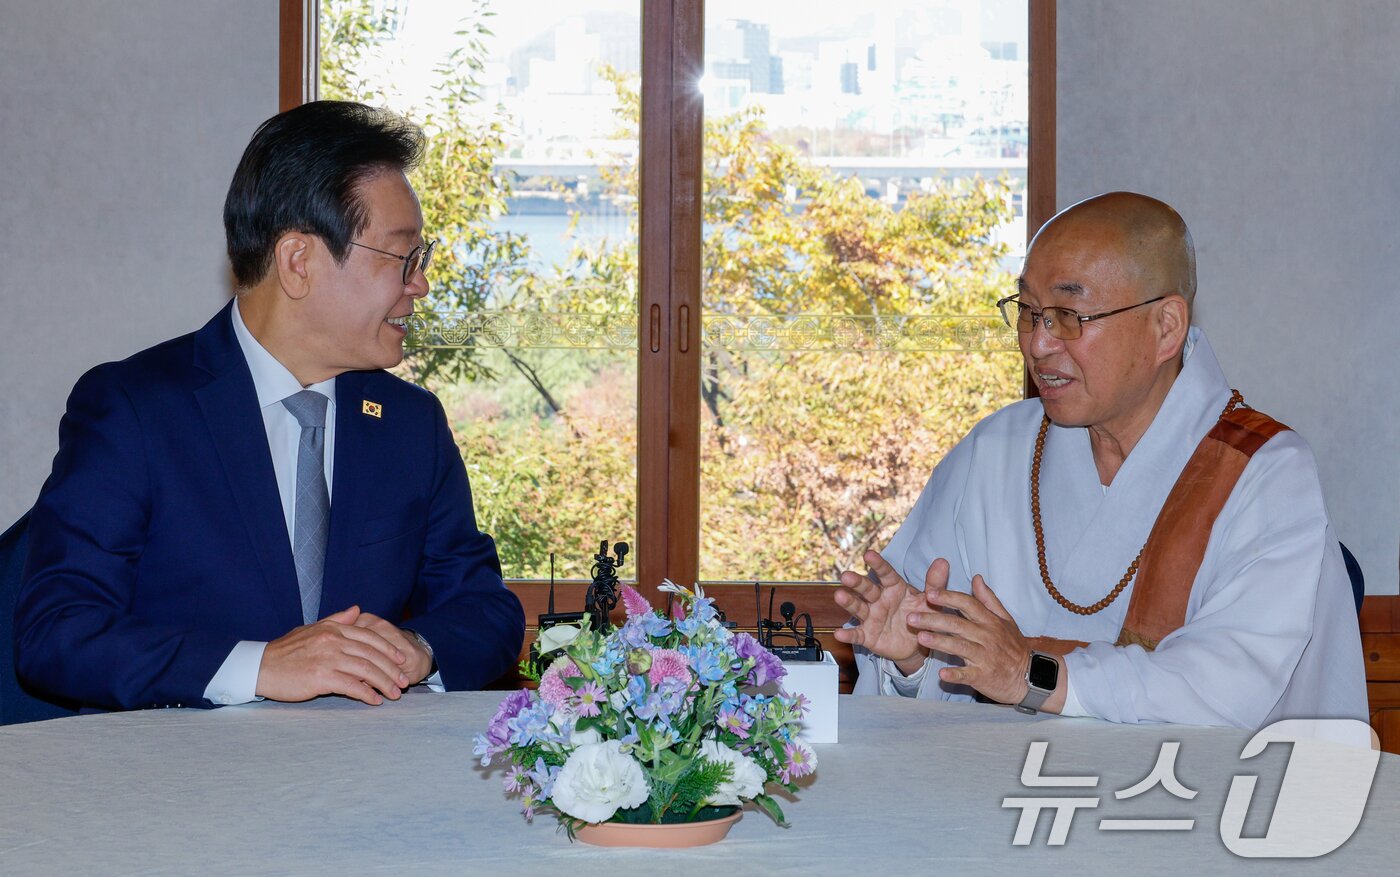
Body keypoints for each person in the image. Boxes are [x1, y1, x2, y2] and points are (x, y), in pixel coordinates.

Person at [16, 101, 524, 711]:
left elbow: (485, 609)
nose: (420, 284)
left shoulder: (410, 424)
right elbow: (58, 631)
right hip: (182, 764)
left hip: (365, 763)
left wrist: (418, 647)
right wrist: (259, 666)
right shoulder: (135, 410)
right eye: (402, 258)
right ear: (298, 262)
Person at [834, 191, 1366, 727]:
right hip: (998, 776)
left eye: (1068, 316)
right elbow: (946, 678)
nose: (1038, 344)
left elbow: (1226, 684)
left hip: (1188, 780)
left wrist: (1031, 675)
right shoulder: (994, 451)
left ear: (1166, 327)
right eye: (1029, 312)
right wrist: (914, 656)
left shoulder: (1261, 470)